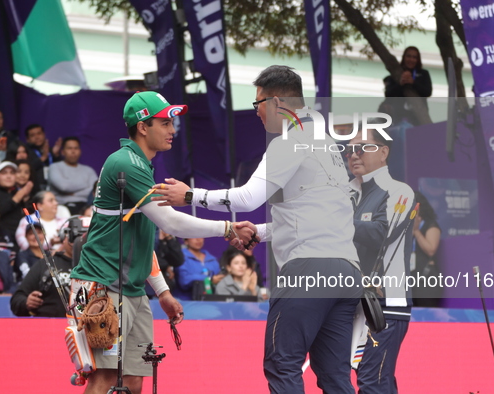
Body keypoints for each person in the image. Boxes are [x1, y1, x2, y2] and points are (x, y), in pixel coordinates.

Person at [151, 65, 362, 393]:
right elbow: (317, 214)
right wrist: (260, 233)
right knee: (334, 375)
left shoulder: (291, 141)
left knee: (282, 363)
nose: (256, 112)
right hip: (346, 272)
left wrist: (191, 195)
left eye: (258, 103)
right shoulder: (327, 144)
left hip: (308, 269)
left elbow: (247, 197)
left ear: (277, 102)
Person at [68, 90, 256, 394]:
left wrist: (163, 293)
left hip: (130, 289)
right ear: (143, 126)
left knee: (133, 382)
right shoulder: (126, 163)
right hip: (102, 286)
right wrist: (227, 229)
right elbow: (171, 222)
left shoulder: (140, 164)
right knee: (103, 379)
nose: (173, 130)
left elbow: (142, 241)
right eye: (165, 123)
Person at [347, 128, 415, 394]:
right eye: (349, 149)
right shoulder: (347, 193)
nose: (354, 154)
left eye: (362, 147)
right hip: (351, 301)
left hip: (386, 303)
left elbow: (381, 233)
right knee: (376, 379)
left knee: (372, 380)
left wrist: (334, 221)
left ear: (383, 152)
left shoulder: (399, 190)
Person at [10, 220, 79, 317]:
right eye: (73, 237)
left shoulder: (96, 267)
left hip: (89, 327)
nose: (77, 242)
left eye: (82, 238)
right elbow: (17, 300)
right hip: (48, 327)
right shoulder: (45, 264)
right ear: (64, 238)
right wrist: (26, 302)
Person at [48, 136, 98, 214]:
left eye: (76, 148)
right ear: (63, 152)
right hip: (60, 208)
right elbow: (63, 187)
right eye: (69, 148)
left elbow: (94, 190)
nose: (73, 151)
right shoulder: (54, 167)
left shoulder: (89, 170)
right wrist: (85, 184)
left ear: (80, 151)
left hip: (85, 207)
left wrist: (73, 193)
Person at [383, 46, 432, 126]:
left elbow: (428, 92)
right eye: (408, 56)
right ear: (404, 57)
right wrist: (401, 84)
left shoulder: (424, 74)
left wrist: (413, 83)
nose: (411, 60)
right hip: (398, 116)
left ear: (418, 60)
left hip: (418, 117)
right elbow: (388, 94)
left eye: (414, 57)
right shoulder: (396, 74)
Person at [411, 190, 442, 308]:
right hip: (410, 279)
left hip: (426, 280)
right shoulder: (406, 227)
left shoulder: (430, 225)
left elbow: (431, 250)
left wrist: (416, 231)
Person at [0, 161, 34, 238]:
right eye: (4, 173)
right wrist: (20, 195)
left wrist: (25, 199)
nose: (9, 176)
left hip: (22, 237)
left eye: (12, 173)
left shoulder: (19, 194)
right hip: (0, 239)